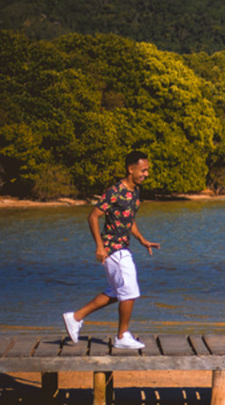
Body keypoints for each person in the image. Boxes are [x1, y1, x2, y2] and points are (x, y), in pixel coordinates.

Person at [62, 150, 160, 350]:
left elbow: (128, 219)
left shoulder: (135, 192)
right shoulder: (114, 191)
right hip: (113, 248)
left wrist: (142, 240)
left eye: (147, 170)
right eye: (143, 170)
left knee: (116, 292)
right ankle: (122, 336)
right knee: (130, 291)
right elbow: (93, 216)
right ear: (130, 169)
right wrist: (99, 246)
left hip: (123, 247)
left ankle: (75, 317)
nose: (146, 174)